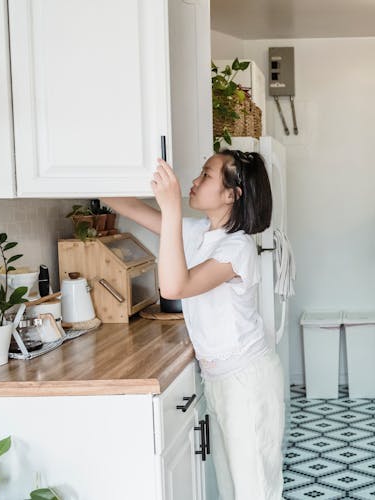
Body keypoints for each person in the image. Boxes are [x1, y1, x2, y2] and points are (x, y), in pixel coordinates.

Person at [102, 149, 284, 500]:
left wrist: (171, 209)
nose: (195, 182)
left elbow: (174, 287)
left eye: (206, 175)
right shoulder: (199, 231)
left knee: (255, 490)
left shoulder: (238, 248)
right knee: (233, 489)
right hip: (220, 378)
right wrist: (80, 177)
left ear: (232, 194)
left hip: (248, 382)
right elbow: (135, 210)